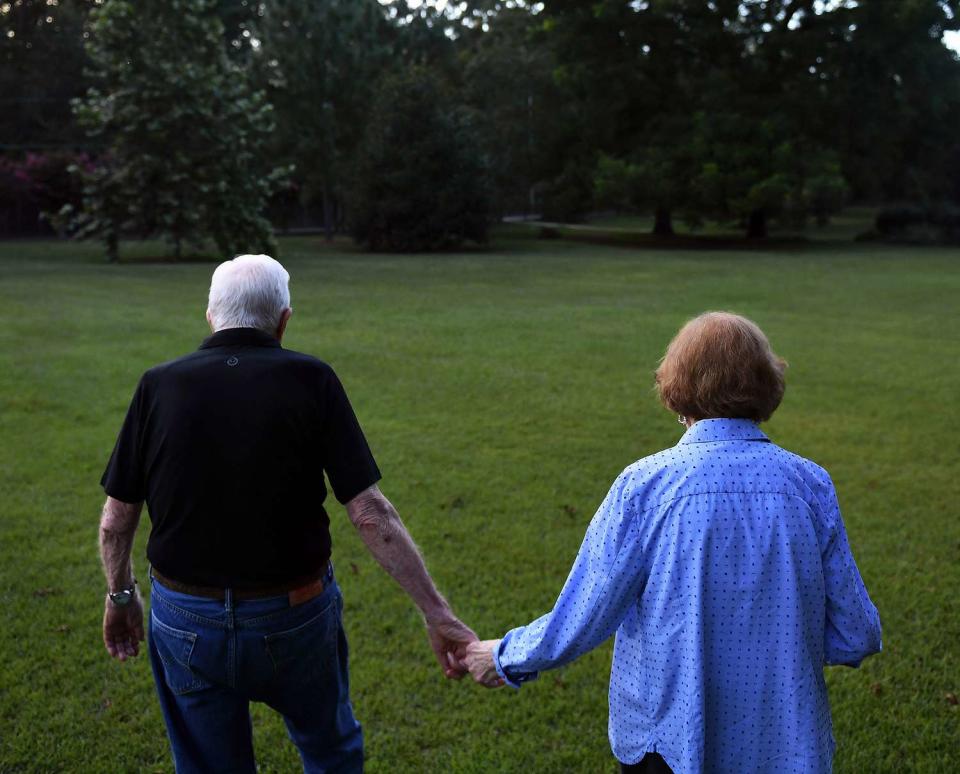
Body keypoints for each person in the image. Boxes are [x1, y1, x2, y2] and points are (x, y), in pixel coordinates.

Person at [98, 253, 476, 773]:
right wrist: (437, 613)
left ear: (210, 315)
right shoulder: (312, 379)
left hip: (186, 619)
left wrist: (120, 595)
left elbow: (116, 519)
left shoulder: (157, 385)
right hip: (295, 617)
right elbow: (370, 512)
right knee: (329, 751)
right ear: (283, 319)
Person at [464, 311, 882, 774]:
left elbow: (586, 613)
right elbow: (856, 634)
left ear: (676, 387)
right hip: (785, 746)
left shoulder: (644, 487)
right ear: (766, 386)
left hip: (671, 745)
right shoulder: (810, 485)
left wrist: (503, 657)